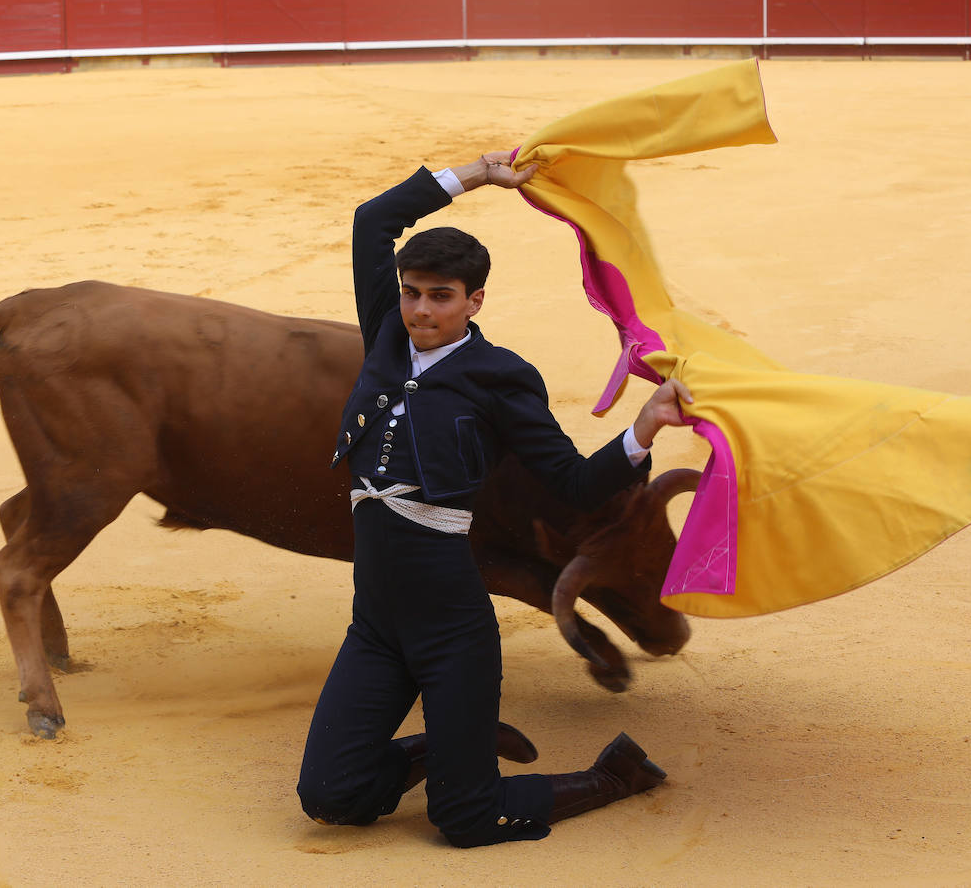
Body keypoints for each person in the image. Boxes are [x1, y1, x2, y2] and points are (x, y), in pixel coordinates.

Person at [296, 151, 695, 848]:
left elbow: (571, 481)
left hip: (452, 628)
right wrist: (476, 174)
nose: (421, 309)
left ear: (474, 299)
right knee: (331, 795)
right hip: (377, 622)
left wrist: (644, 426)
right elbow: (373, 220)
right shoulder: (386, 334)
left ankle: (613, 775)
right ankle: (437, 750)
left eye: (440, 295)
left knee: (466, 822)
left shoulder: (501, 377)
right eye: (413, 292)